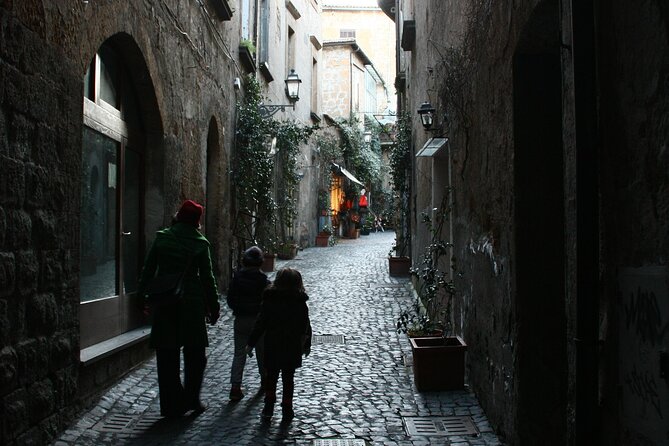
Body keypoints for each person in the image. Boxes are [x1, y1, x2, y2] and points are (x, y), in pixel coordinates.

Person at [138, 200, 221, 417]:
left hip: (166, 301)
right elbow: (207, 279)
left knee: (167, 355)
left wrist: (141, 298)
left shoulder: (163, 238)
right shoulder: (200, 243)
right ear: (197, 221)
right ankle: (192, 399)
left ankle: (170, 404)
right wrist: (213, 306)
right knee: (195, 355)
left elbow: (148, 270)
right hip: (191, 304)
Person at [247, 268, 312, 423]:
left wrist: (251, 343)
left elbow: (261, 323)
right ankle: (287, 409)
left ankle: (268, 407)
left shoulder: (270, 300)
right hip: (291, 346)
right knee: (288, 379)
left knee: (271, 377)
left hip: (273, 344)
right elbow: (306, 326)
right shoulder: (299, 302)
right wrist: (306, 345)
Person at [226, 246, 271, 401]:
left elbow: (230, 300)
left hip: (241, 319)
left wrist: (239, 309)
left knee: (239, 353)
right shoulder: (264, 280)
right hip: (259, 321)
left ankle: (235, 386)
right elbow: (268, 302)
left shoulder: (237, 279)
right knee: (262, 352)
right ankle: (265, 381)